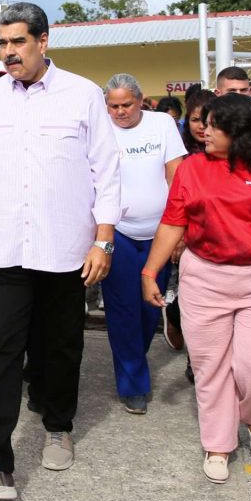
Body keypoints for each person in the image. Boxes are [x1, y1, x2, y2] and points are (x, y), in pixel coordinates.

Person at [0, 2, 120, 501]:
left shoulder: (83, 96)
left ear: (44, 40)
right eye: (2, 43)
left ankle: (59, 426)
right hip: (1, 250)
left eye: (18, 42)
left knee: (59, 346)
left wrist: (103, 239)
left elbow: (107, 174)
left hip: (66, 250)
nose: (9, 52)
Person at [140, 93, 251, 485]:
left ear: (239, 132)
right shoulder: (192, 169)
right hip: (204, 277)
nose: (203, 130)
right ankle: (218, 442)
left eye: (214, 125)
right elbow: (173, 222)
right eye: (203, 123)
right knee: (211, 367)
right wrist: (149, 271)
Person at [100, 74, 186, 414]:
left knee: (151, 307)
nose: (120, 112)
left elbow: (176, 176)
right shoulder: (99, 128)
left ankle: (137, 356)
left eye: (127, 105)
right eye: (113, 106)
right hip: (117, 232)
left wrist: (179, 229)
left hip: (160, 234)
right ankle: (133, 382)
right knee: (122, 310)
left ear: (142, 101)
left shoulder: (161, 124)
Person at [163, 88, 216, 371]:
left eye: (210, 121)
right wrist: (179, 237)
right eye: (197, 120)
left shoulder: (228, 151)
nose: (203, 127)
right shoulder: (178, 153)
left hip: (220, 241)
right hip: (188, 238)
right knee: (195, 303)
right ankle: (197, 363)